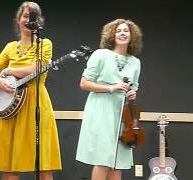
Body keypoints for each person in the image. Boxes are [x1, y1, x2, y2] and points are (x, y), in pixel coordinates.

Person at [0, 1, 61, 180]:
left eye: (33, 17)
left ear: (39, 21)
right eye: (25, 16)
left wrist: (9, 71)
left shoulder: (45, 44)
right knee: (10, 165)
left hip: (37, 104)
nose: (28, 20)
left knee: (44, 164)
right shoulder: (10, 47)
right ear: (18, 20)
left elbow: (38, 68)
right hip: (12, 110)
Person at [76, 19, 143, 180]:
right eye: (118, 30)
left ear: (131, 35)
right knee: (103, 159)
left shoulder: (135, 62)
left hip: (123, 114)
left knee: (117, 162)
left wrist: (132, 93)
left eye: (126, 30)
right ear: (112, 35)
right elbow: (84, 83)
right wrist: (111, 88)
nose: (122, 33)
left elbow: (134, 87)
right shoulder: (101, 54)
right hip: (102, 109)